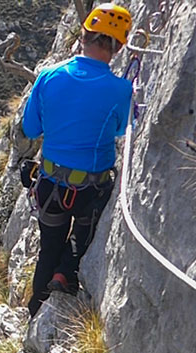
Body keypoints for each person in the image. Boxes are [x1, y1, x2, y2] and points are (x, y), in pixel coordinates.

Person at [22, 3, 133, 317]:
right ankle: (67, 271)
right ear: (117, 46)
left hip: (50, 187)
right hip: (91, 191)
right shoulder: (121, 90)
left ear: (83, 35)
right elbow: (121, 129)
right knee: (83, 236)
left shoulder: (48, 77)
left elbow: (30, 128)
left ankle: (36, 311)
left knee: (48, 248)